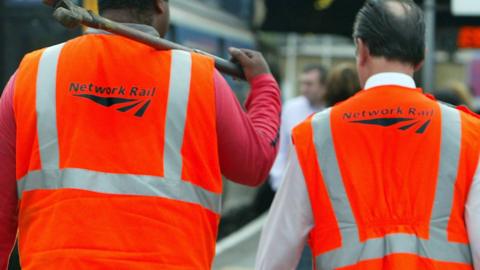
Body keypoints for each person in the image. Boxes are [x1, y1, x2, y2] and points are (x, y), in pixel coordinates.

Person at [0, 0, 282, 269]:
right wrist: (264, 85)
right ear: (159, 4)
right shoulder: (199, 77)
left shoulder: (31, 74)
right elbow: (253, 163)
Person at [256, 0, 480, 269]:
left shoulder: (314, 135)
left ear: (361, 49)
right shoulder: (469, 134)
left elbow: (277, 251)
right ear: (421, 56)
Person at [269, 65, 328, 192]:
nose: (303, 89)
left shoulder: (333, 111)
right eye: (302, 83)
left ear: (324, 87)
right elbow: (281, 147)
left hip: (322, 188)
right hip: (290, 186)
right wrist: (278, 181)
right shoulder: (291, 108)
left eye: (309, 84)